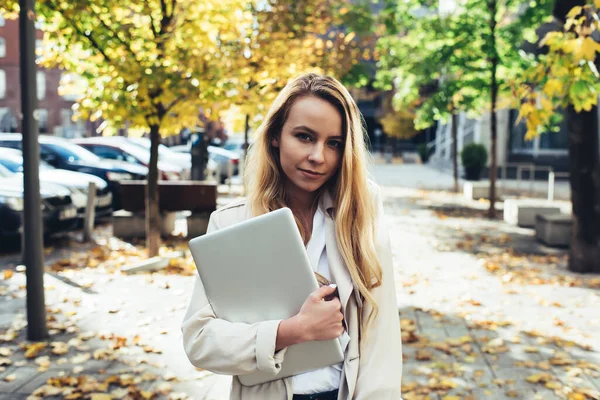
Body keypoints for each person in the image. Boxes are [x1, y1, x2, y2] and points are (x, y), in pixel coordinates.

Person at [182, 73, 402, 400]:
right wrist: (292, 331)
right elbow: (200, 341)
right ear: (275, 136)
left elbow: (380, 337)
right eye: (304, 136)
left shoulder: (360, 213)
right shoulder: (232, 222)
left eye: (334, 143)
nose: (318, 156)